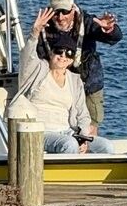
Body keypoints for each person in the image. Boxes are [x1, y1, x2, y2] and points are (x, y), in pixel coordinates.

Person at [18, 8, 114, 155]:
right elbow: (27, 56)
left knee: (106, 146)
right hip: (40, 132)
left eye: (68, 53)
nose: (63, 56)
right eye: (59, 51)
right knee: (69, 144)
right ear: (51, 52)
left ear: (71, 59)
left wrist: (83, 137)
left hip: (67, 131)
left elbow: (82, 114)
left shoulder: (74, 80)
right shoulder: (37, 70)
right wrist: (34, 33)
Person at [39, 0, 122, 134]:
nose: (60, 17)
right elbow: (34, 57)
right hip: (60, 86)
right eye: (56, 12)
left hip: (89, 84)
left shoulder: (87, 21)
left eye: (65, 12)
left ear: (73, 9)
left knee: (90, 130)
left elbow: (115, 37)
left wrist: (108, 29)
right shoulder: (43, 26)